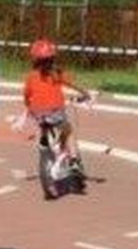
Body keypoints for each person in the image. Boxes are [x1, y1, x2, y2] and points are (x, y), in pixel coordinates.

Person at [23, 38, 92, 170]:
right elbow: (74, 84)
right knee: (68, 131)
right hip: (56, 112)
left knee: (42, 121)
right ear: (52, 59)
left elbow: (26, 95)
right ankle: (74, 160)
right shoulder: (57, 74)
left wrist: (27, 106)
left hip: (38, 113)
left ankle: (43, 138)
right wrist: (86, 94)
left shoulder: (30, 76)